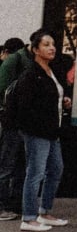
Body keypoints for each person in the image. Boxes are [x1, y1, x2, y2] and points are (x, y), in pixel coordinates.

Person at [7, 30, 71, 232]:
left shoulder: (50, 72)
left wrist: (63, 102)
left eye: (52, 44)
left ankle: (45, 211)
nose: (51, 47)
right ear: (35, 49)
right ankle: (28, 217)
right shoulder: (31, 74)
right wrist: (37, 126)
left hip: (52, 131)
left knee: (56, 170)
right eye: (45, 44)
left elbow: (50, 97)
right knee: (35, 173)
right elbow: (26, 106)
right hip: (38, 132)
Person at [0, 36, 32, 221]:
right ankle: (4, 204)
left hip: (22, 121)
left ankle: (14, 203)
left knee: (18, 163)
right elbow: (3, 86)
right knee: (9, 163)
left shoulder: (24, 60)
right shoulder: (16, 59)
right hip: (13, 120)